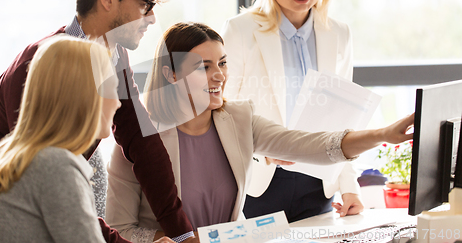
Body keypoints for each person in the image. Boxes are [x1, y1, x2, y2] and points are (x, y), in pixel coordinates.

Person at [0, 0, 195, 243]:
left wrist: (183, 235)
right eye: (144, 4)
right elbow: (52, 185)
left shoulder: (112, 55)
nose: (152, 17)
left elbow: (143, 141)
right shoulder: (44, 64)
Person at [105, 22, 414, 243]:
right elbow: (121, 228)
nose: (219, 76)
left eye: (223, 64)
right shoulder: (137, 141)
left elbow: (311, 145)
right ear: (170, 74)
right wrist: (162, 240)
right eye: (203, 67)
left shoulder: (239, 117)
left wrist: (383, 133)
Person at [222, 0, 364, 222]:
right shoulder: (240, 31)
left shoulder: (339, 34)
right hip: (261, 181)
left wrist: (349, 186)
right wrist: (262, 153)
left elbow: (344, 117)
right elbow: (222, 112)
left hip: (319, 181)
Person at [0, 37, 119, 242]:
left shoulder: (34, 156)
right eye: (110, 89)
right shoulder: (55, 166)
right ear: (83, 97)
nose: (117, 103)